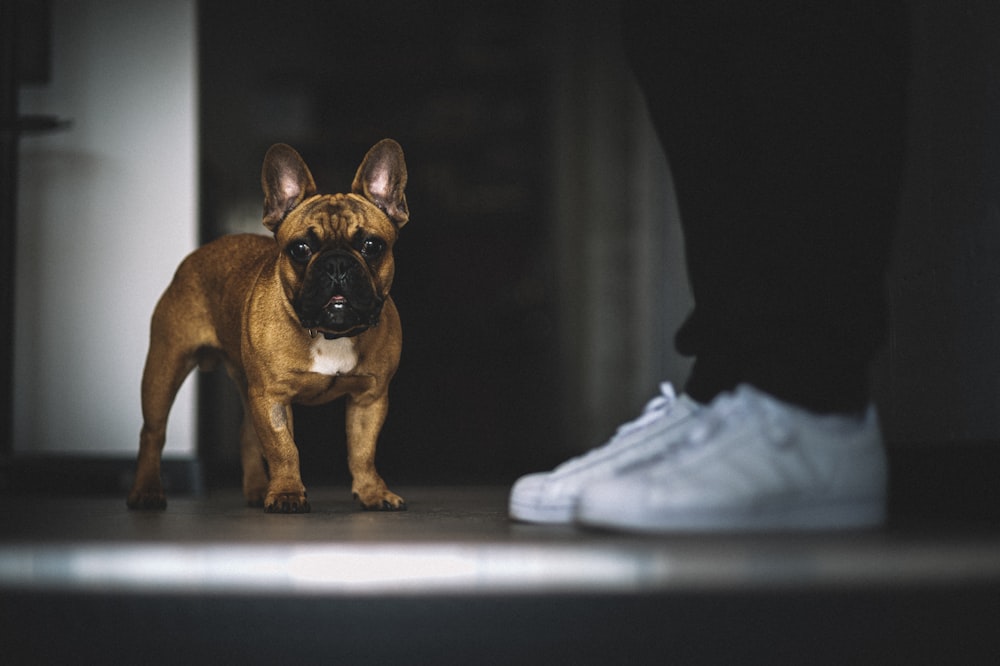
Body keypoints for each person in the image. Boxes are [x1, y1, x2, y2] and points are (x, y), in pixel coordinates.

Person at [510, 1, 910, 532]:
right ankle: (729, 384)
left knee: (794, 21)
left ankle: (814, 399)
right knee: (672, 22)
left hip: (815, 385)